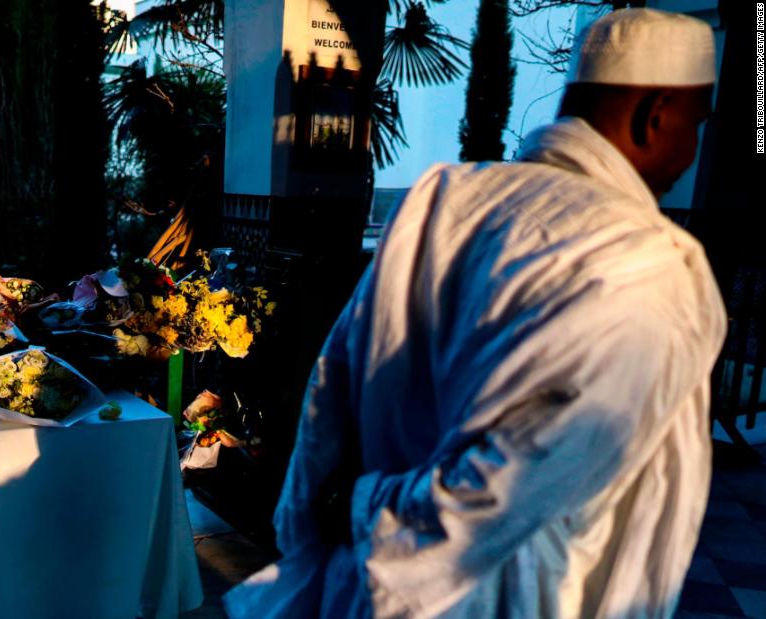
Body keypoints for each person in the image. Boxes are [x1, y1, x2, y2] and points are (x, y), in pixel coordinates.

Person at [225, 8, 726, 619]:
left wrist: (317, 515)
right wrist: (356, 509)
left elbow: (333, 390)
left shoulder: (446, 200)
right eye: (696, 125)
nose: (692, 150)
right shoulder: (644, 263)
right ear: (656, 116)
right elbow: (499, 494)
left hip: (360, 583)